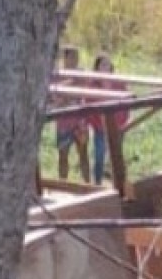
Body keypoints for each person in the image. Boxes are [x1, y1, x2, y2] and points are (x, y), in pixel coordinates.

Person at [89, 53, 129, 193]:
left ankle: (120, 187)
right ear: (97, 68)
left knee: (117, 157)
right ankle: (97, 185)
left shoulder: (119, 83)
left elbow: (126, 104)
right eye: (103, 64)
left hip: (118, 127)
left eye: (108, 64)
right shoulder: (92, 85)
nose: (106, 67)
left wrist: (123, 123)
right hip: (100, 128)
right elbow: (88, 106)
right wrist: (94, 124)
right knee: (99, 157)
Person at [53, 47, 89, 181]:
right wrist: (70, 85)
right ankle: (63, 183)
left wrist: (69, 93)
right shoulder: (57, 75)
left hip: (80, 122)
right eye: (72, 57)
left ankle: (88, 184)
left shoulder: (82, 74)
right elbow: (56, 98)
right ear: (65, 58)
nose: (75, 60)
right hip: (63, 122)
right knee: (63, 155)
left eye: (77, 57)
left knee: (83, 154)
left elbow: (83, 91)